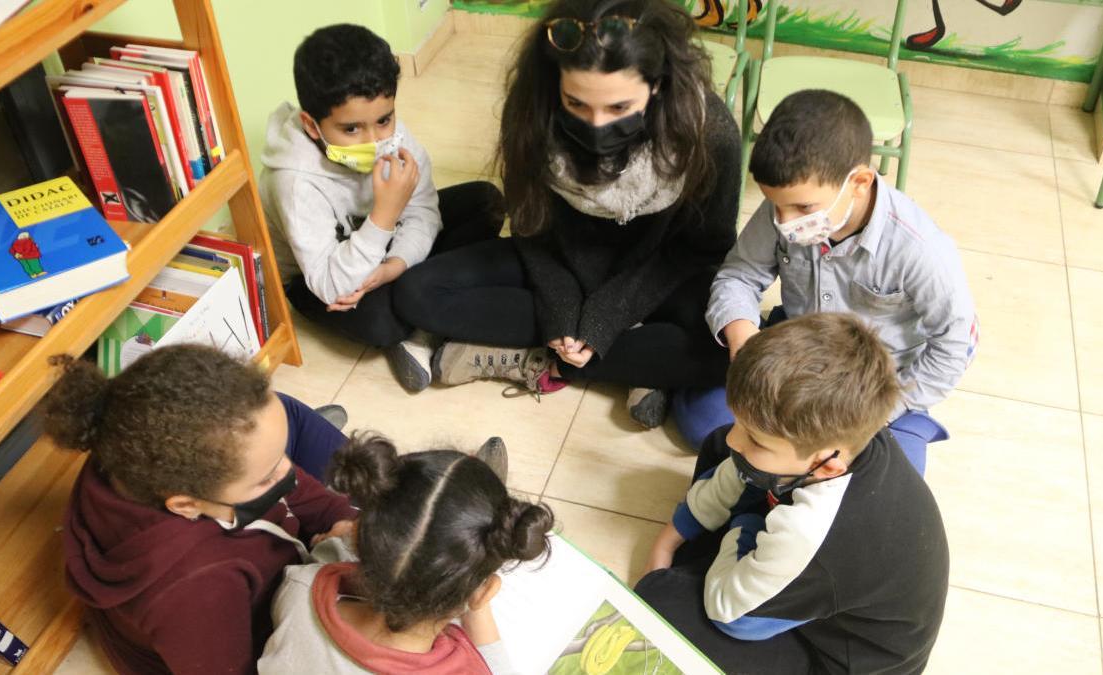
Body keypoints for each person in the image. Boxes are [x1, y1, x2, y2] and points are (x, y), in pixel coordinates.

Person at [393, 0, 741, 428]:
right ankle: (640, 364)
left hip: (653, 272)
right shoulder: (531, 112)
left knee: (732, 345)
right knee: (417, 292)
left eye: (618, 108)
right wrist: (558, 310)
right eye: (576, 104)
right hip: (562, 260)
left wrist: (604, 320)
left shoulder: (709, 131)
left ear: (659, 85)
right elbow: (530, 226)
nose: (597, 126)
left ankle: (557, 363)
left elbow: (704, 248)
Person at [639, 313, 950, 674]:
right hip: (823, 579)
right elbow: (733, 462)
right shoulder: (844, 437)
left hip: (831, 658)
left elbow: (731, 615)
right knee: (721, 451)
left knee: (660, 602)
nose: (734, 437)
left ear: (828, 462)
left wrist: (747, 521)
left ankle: (734, 563)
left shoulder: (813, 532)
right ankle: (735, 562)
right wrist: (669, 539)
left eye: (755, 438)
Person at [685, 89, 977, 471]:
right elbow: (740, 274)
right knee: (706, 428)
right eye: (777, 206)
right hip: (793, 363)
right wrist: (743, 340)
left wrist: (880, 413)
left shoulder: (921, 250)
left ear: (858, 182)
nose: (786, 223)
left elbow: (955, 345)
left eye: (804, 208)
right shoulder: (786, 205)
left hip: (876, 390)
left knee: (879, 481)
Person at [44, 344, 355, 674]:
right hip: (227, 636)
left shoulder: (126, 451)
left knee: (284, 420)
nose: (288, 470)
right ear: (186, 505)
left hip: (241, 543)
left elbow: (294, 484)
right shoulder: (195, 591)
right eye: (266, 477)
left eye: (280, 455)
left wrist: (341, 519)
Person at [260, 24, 506, 393]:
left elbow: (424, 211)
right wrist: (384, 217)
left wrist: (395, 267)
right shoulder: (293, 181)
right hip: (321, 279)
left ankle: (420, 311)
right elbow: (329, 285)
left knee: (486, 201)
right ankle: (423, 319)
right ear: (312, 126)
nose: (375, 141)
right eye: (351, 129)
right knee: (381, 323)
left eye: (383, 120)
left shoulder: (393, 134)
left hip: (380, 258)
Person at [259, 434, 552, 674]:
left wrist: (336, 540)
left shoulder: (300, 587)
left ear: (359, 538)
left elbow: (331, 556)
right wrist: (476, 599)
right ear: (484, 591)